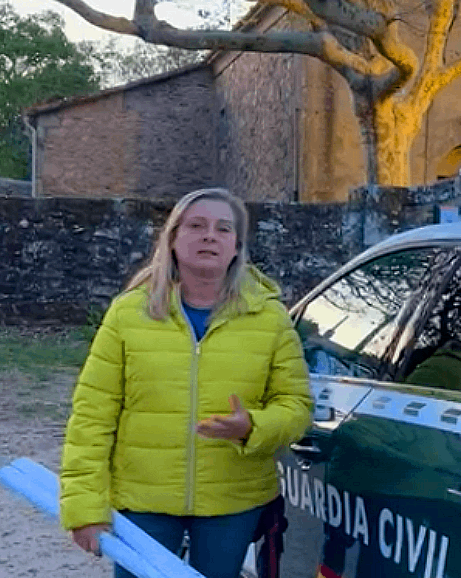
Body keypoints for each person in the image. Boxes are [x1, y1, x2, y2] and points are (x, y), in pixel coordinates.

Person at [60, 188, 313, 578]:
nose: (210, 236)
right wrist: (84, 508)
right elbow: (92, 417)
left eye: (223, 229)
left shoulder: (270, 318)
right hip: (143, 501)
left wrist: (253, 427)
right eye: (196, 225)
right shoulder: (128, 314)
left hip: (232, 502)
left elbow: (296, 407)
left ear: (236, 246)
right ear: (173, 239)